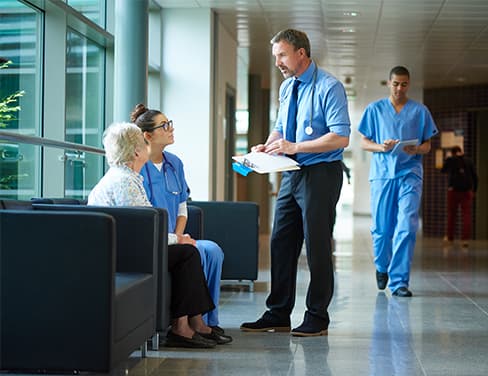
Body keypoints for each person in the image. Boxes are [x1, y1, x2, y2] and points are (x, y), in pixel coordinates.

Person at [240, 29, 351, 337]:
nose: (277, 62)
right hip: (292, 172)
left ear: (301, 53)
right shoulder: (287, 87)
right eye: (275, 56)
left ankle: (317, 316)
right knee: (281, 241)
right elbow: (279, 129)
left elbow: (340, 136)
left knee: (316, 246)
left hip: (322, 173)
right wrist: (268, 145)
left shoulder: (330, 87)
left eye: (282, 55)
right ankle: (278, 312)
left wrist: (295, 147)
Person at [87, 122, 231, 348]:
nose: (148, 147)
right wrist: (178, 239)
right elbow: (144, 231)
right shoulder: (125, 182)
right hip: (123, 252)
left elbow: (145, 227)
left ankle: (194, 323)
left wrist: (177, 239)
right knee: (187, 254)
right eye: (144, 144)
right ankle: (184, 326)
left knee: (186, 253)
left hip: (127, 245)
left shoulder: (129, 177)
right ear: (136, 151)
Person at [129, 104, 227, 336]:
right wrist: (176, 240)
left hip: (176, 235)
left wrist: (180, 236)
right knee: (196, 252)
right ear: (148, 135)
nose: (171, 129)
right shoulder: (137, 167)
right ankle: (191, 323)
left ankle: (206, 320)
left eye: (169, 123)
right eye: (165, 126)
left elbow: (183, 206)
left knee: (212, 250)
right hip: (157, 240)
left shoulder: (175, 163)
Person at [358, 66, 439, 298]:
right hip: (383, 175)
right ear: (388, 83)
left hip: (409, 173)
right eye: (396, 84)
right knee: (382, 230)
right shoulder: (375, 109)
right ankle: (382, 266)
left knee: (407, 225)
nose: (399, 88)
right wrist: (380, 147)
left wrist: (416, 148)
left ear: (409, 84)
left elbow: (427, 144)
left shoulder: (419, 111)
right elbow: (364, 142)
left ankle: (399, 281)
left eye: (404, 84)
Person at [441, 145, 478, 247]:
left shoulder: (451, 160)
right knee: (466, 215)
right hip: (467, 191)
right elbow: (475, 176)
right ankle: (465, 240)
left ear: (453, 152)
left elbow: (443, 170)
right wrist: (474, 190)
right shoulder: (469, 161)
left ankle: (449, 238)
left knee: (451, 214)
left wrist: (447, 159)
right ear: (461, 151)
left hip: (453, 191)